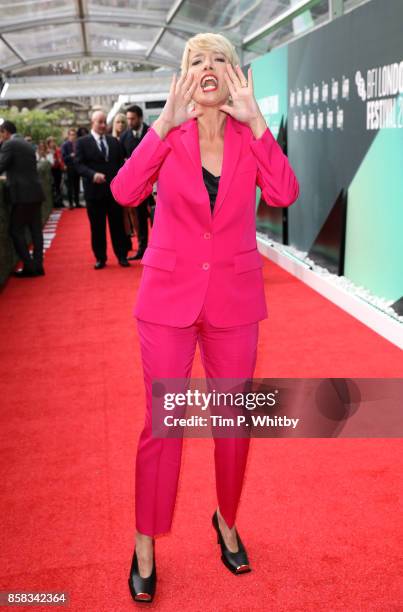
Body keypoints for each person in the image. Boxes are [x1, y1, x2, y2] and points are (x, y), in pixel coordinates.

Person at [111, 32, 300, 603]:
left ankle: (226, 519)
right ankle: (146, 544)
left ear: (236, 75)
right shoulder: (170, 135)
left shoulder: (249, 135)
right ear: (186, 77)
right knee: (162, 425)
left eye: (220, 58)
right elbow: (124, 192)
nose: (209, 67)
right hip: (168, 301)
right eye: (197, 61)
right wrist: (161, 126)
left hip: (235, 303)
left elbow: (285, 193)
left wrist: (260, 122)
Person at [75, 110, 130, 269]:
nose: (103, 125)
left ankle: (122, 256)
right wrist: (92, 175)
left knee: (117, 225)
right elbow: (78, 165)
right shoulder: (82, 142)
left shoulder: (113, 141)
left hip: (113, 193)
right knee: (97, 227)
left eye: (105, 122)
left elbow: (121, 163)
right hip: (94, 193)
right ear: (92, 122)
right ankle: (100, 258)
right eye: (100, 122)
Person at [0, 120, 45, 277]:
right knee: (36, 231)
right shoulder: (26, 144)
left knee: (15, 230)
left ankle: (29, 265)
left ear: (5, 132)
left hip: (22, 196)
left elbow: (1, 165)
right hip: (35, 193)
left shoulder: (9, 145)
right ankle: (38, 265)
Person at [120, 105, 153, 260]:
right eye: (128, 119)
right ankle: (142, 248)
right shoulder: (125, 137)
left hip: (155, 183)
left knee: (159, 216)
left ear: (140, 118)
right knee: (139, 218)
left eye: (132, 118)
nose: (129, 121)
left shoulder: (152, 132)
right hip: (138, 185)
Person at [61, 128, 81, 209]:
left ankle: (77, 202)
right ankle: (70, 204)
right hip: (69, 167)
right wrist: (71, 155)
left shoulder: (78, 144)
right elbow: (63, 157)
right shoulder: (65, 145)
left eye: (74, 135)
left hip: (77, 167)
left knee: (77, 186)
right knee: (70, 186)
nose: (73, 136)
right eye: (71, 135)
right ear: (68, 136)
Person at [46, 136, 65, 208]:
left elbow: (61, 159)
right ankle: (54, 202)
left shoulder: (58, 150)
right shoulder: (47, 150)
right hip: (51, 170)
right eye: (51, 142)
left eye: (54, 142)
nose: (53, 143)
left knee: (59, 186)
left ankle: (59, 201)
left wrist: (63, 165)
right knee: (53, 186)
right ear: (48, 143)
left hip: (58, 169)